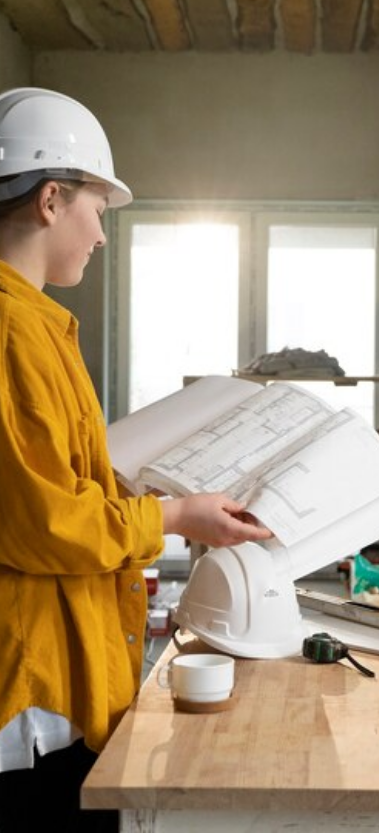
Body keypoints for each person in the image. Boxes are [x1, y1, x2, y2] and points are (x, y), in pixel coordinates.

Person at [0, 87, 272, 831]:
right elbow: (45, 523)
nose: (101, 234)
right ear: (51, 199)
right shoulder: (12, 329)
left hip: (51, 688)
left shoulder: (37, 322)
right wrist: (175, 513)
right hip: (30, 709)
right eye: (97, 206)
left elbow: (45, 482)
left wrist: (132, 485)